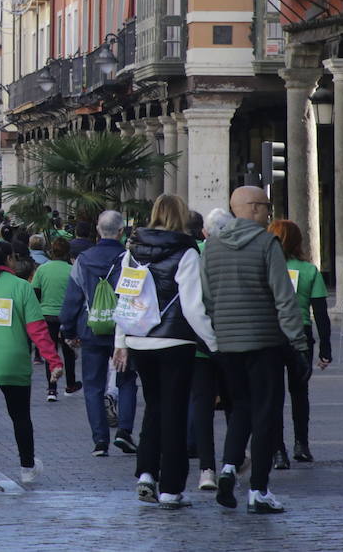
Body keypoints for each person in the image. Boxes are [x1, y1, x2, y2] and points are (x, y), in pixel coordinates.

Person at [201, 186, 308, 514]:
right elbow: (283, 298)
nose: (269, 213)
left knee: (241, 409)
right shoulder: (266, 244)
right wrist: (299, 342)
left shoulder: (212, 246)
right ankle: (259, 490)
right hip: (264, 342)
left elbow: (206, 297)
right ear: (253, 209)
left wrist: (218, 334)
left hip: (228, 344)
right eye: (266, 207)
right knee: (265, 414)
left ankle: (229, 469)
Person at [113, 194, 217, 511]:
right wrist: (213, 343)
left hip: (140, 339)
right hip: (175, 342)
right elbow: (192, 305)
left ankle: (146, 474)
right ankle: (171, 488)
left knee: (154, 409)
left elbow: (126, 298)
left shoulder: (132, 251)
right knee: (174, 413)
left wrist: (122, 340)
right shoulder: (186, 251)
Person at [0, 241, 63, 487]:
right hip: (13, 361)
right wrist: (53, 360)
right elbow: (37, 329)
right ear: (9, 260)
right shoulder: (21, 287)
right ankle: (27, 467)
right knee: (20, 417)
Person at [59, 209, 139, 457]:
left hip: (90, 329)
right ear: (121, 231)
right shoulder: (129, 260)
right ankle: (124, 431)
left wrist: (69, 330)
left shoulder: (83, 260)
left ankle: (100, 440)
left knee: (93, 385)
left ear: (97, 230)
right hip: (122, 331)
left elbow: (72, 298)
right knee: (126, 382)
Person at [267, 219, 331, 468]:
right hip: (301, 334)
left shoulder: (267, 267)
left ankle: (278, 451)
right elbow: (321, 314)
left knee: (273, 394)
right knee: (299, 392)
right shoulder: (309, 270)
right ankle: (301, 445)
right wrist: (325, 350)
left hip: (271, 332)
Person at [189, 206, 234, 492]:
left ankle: (207, 468)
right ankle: (232, 461)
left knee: (203, 405)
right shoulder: (239, 253)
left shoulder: (195, 255)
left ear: (205, 232)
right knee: (235, 403)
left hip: (201, 342)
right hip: (234, 340)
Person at [32, 236, 79, 400]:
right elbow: (77, 295)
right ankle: (71, 384)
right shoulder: (72, 270)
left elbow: (35, 293)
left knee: (50, 352)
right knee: (69, 352)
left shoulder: (42, 269)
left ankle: (51, 388)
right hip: (66, 317)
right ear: (67, 253)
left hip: (47, 316)